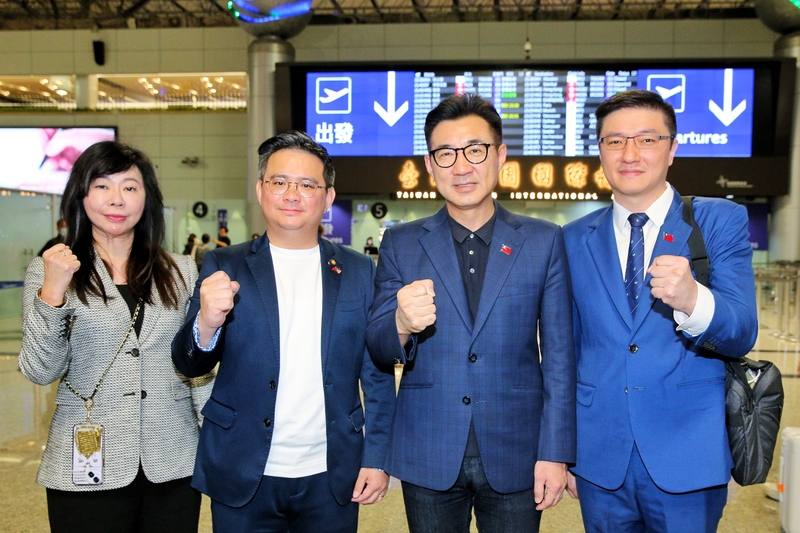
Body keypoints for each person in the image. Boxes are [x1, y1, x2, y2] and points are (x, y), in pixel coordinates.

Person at [367, 94, 576, 532]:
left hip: (518, 448)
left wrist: (555, 451)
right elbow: (379, 348)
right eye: (446, 153)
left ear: (500, 155)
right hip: (428, 447)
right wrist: (401, 324)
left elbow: (560, 357)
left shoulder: (543, 240)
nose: (461, 166)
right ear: (430, 165)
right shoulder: (401, 243)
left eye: (475, 150)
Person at [171, 131, 395, 532]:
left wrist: (377, 457)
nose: (292, 194)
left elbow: (376, 373)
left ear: (327, 197)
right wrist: (207, 321)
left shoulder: (358, 270)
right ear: (261, 190)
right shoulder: (225, 264)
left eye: (307, 185)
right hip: (243, 465)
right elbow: (189, 363)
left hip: (331, 470)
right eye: (280, 182)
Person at [562, 89, 758, 532]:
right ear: (600, 151)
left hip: (687, 451)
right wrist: (563, 450)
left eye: (647, 139)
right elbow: (565, 352)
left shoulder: (716, 221)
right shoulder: (573, 238)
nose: (630, 153)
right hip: (600, 458)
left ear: (672, 149)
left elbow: (742, 330)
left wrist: (692, 300)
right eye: (615, 141)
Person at [18, 141, 213, 533]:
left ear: (146, 197)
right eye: (102, 186)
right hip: (87, 459)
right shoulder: (51, 270)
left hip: (172, 457)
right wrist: (52, 295)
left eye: (129, 187)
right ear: (81, 195)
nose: (116, 199)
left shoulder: (180, 271)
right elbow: (40, 370)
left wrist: (215, 436)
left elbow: (195, 364)